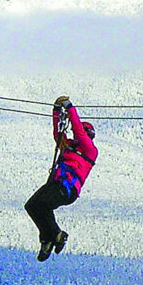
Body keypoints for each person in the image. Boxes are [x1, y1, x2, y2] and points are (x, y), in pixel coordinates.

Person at [24, 96, 97, 262]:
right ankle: (47, 239)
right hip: (56, 184)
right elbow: (58, 133)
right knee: (32, 206)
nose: (76, 135)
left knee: (41, 205)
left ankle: (57, 235)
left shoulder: (89, 150)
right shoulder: (69, 146)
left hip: (66, 188)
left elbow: (78, 129)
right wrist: (56, 111)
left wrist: (70, 108)